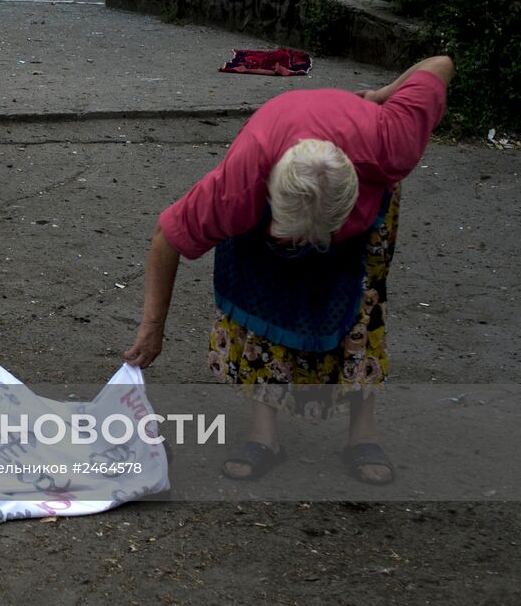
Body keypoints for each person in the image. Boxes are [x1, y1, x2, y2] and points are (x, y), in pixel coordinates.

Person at [123, 55, 454, 485]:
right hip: (271, 179)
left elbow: (440, 63)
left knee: (362, 305)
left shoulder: (392, 141)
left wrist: (380, 96)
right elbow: (167, 237)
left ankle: (362, 434)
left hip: (360, 205)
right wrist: (152, 328)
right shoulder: (239, 184)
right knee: (262, 301)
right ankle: (265, 435)